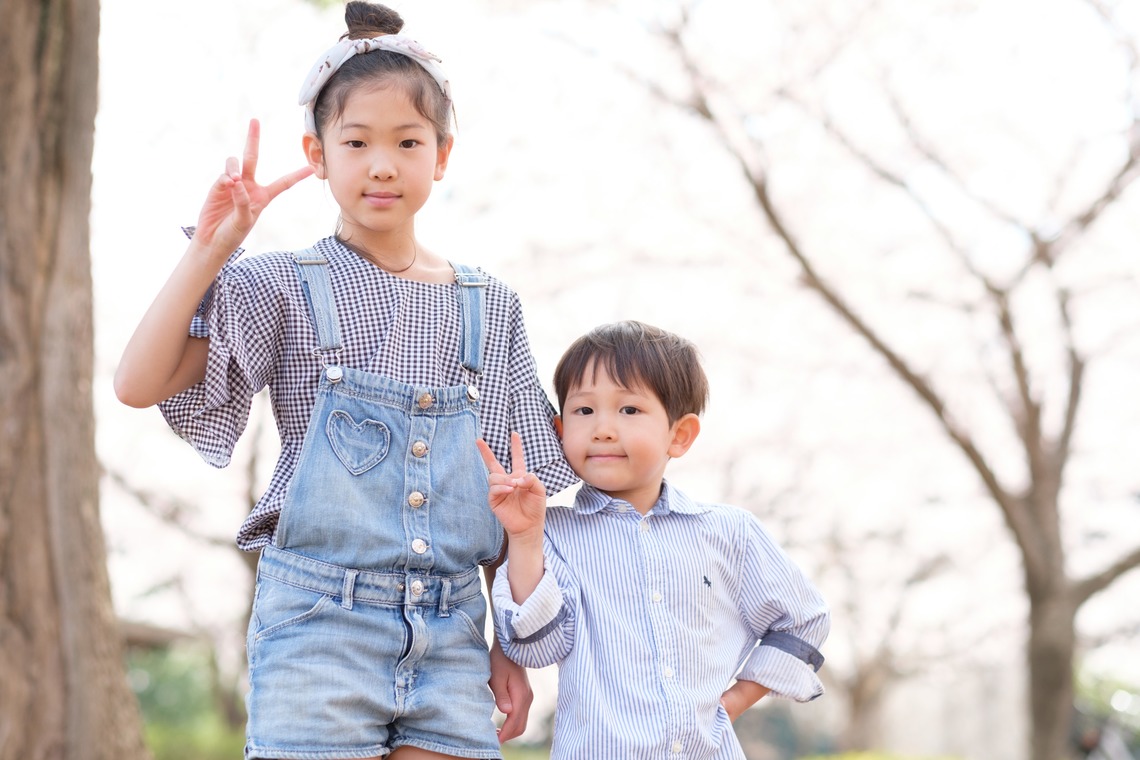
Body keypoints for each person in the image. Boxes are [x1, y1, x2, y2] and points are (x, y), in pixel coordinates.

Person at [114, 3, 577, 758]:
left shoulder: (489, 305)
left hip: (452, 633)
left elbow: (503, 487)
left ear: (443, 154)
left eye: (408, 141)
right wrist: (211, 248)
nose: (383, 164)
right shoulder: (282, 287)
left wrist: (505, 643)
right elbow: (138, 383)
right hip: (315, 631)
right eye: (356, 142)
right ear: (317, 152)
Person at [477, 320, 830, 759]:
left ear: (679, 435)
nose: (603, 428)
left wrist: (736, 699)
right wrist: (525, 538)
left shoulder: (728, 532)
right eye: (584, 411)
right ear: (560, 428)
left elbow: (803, 618)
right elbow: (537, 646)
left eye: (629, 410)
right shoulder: (551, 532)